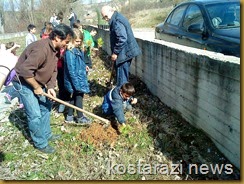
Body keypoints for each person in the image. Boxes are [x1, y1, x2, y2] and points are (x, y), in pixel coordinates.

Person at [12, 24, 74, 154]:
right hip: (23, 81)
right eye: (66, 42)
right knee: (34, 114)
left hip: (36, 80)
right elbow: (25, 71)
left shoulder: (56, 50)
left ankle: (46, 134)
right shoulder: (41, 49)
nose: (66, 45)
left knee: (45, 107)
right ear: (57, 37)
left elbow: (53, 70)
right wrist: (36, 87)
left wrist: (50, 87)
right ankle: (40, 143)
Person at [101, 6, 141, 87]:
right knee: (123, 77)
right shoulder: (117, 17)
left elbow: (122, 38)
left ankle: (122, 97)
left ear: (111, 11)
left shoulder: (116, 21)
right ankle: (124, 95)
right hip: (125, 52)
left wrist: (115, 52)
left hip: (123, 54)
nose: (106, 19)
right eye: (103, 17)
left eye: (106, 16)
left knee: (121, 79)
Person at [63, 28, 91, 125]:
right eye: (77, 41)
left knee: (74, 97)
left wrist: (84, 66)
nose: (79, 43)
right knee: (79, 97)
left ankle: (69, 117)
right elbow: (71, 71)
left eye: (80, 41)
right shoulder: (70, 52)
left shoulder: (77, 50)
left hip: (79, 77)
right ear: (71, 40)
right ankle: (80, 117)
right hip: (75, 79)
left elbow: (79, 63)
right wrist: (76, 85)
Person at [2, 42, 23, 108]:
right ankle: (22, 103)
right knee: (22, 90)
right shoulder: (12, 57)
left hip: (12, 77)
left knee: (17, 86)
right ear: (12, 49)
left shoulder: (5, 55)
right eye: (15, 49)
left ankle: (9, 95)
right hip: (16, 76)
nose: (16, 50)